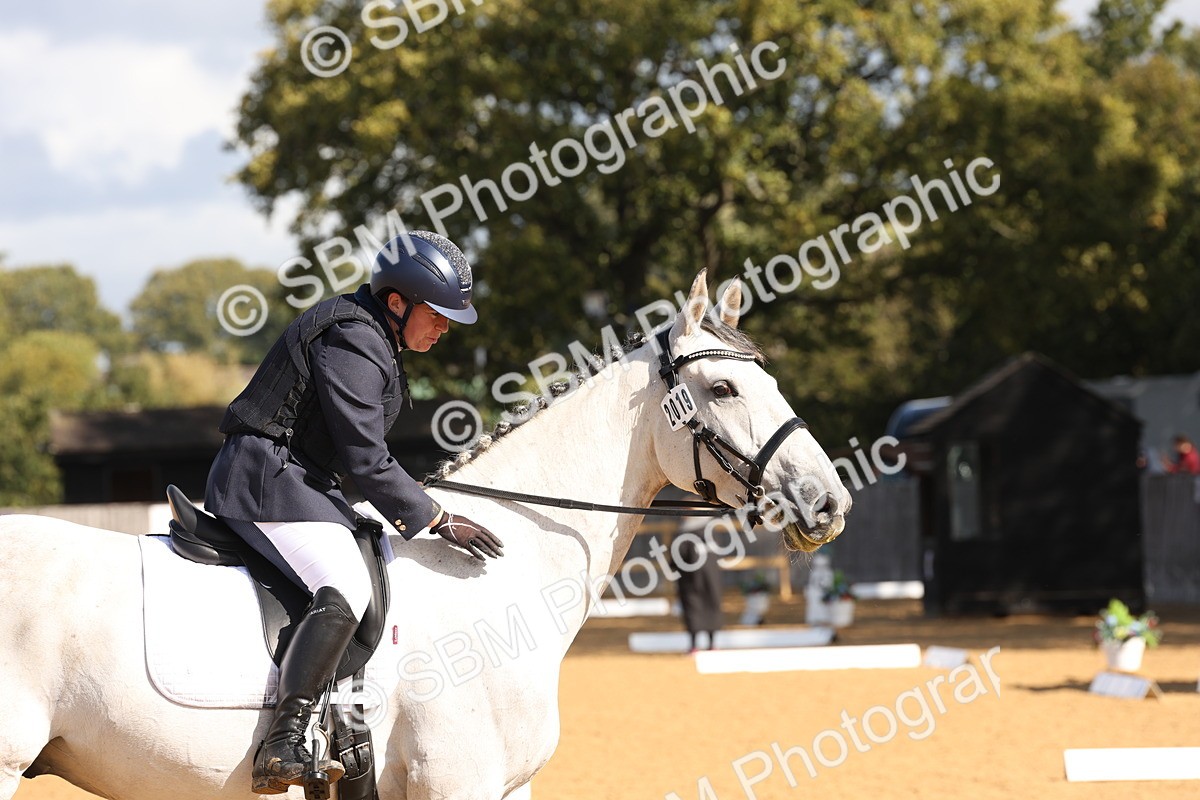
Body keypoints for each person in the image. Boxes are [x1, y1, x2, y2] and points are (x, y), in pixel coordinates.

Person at [204, 230, 504, 795]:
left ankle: (345, 721)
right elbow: (366, 460)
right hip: (264, 479)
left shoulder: (373, 335)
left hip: (299, 479)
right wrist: (436, 517)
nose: (444, 328)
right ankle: (285, 740)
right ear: (397, 302)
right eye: (437, 316)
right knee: (344, 583)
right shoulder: (354, 337)